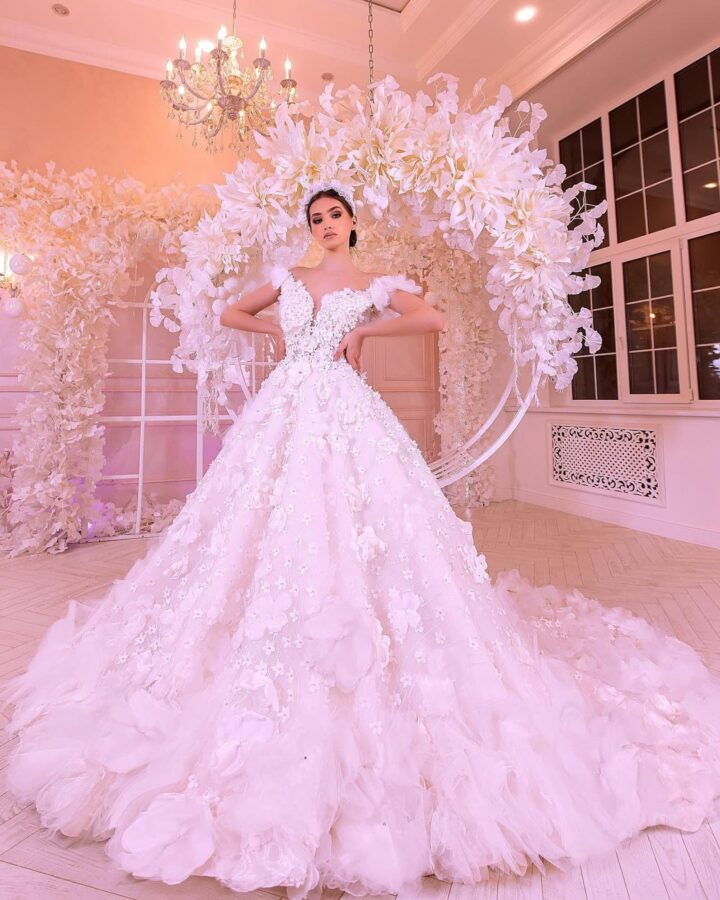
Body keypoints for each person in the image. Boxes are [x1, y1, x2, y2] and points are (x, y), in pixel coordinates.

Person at [2, 180, 720, 900]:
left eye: (335, 215)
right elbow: (229, 310)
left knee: (369, 531)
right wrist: (279, 333)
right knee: (258, 528)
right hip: (286, 404)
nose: (326, 225)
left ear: (352, 223)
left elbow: (433, 317)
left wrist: (365, 331)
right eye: (316, 218)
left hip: (345, 409)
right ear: (309, 227)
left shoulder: (374, 281)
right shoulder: (288, 278)